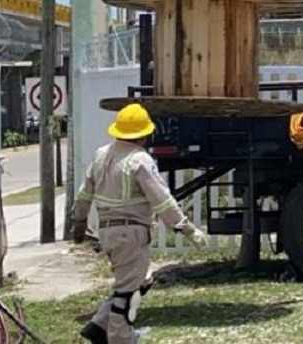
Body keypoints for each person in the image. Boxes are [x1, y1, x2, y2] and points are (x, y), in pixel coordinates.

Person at [71, 102, 208, 344]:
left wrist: (79, 224)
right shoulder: (139, 161)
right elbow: (163, 201)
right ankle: (120, 338)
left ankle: (99, 324)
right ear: (144, 135)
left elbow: (84, 194)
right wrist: (188, 229)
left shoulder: (101, 155)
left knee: (141, 280)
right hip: (130, 233)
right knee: (127, 294)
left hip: (108, 232)